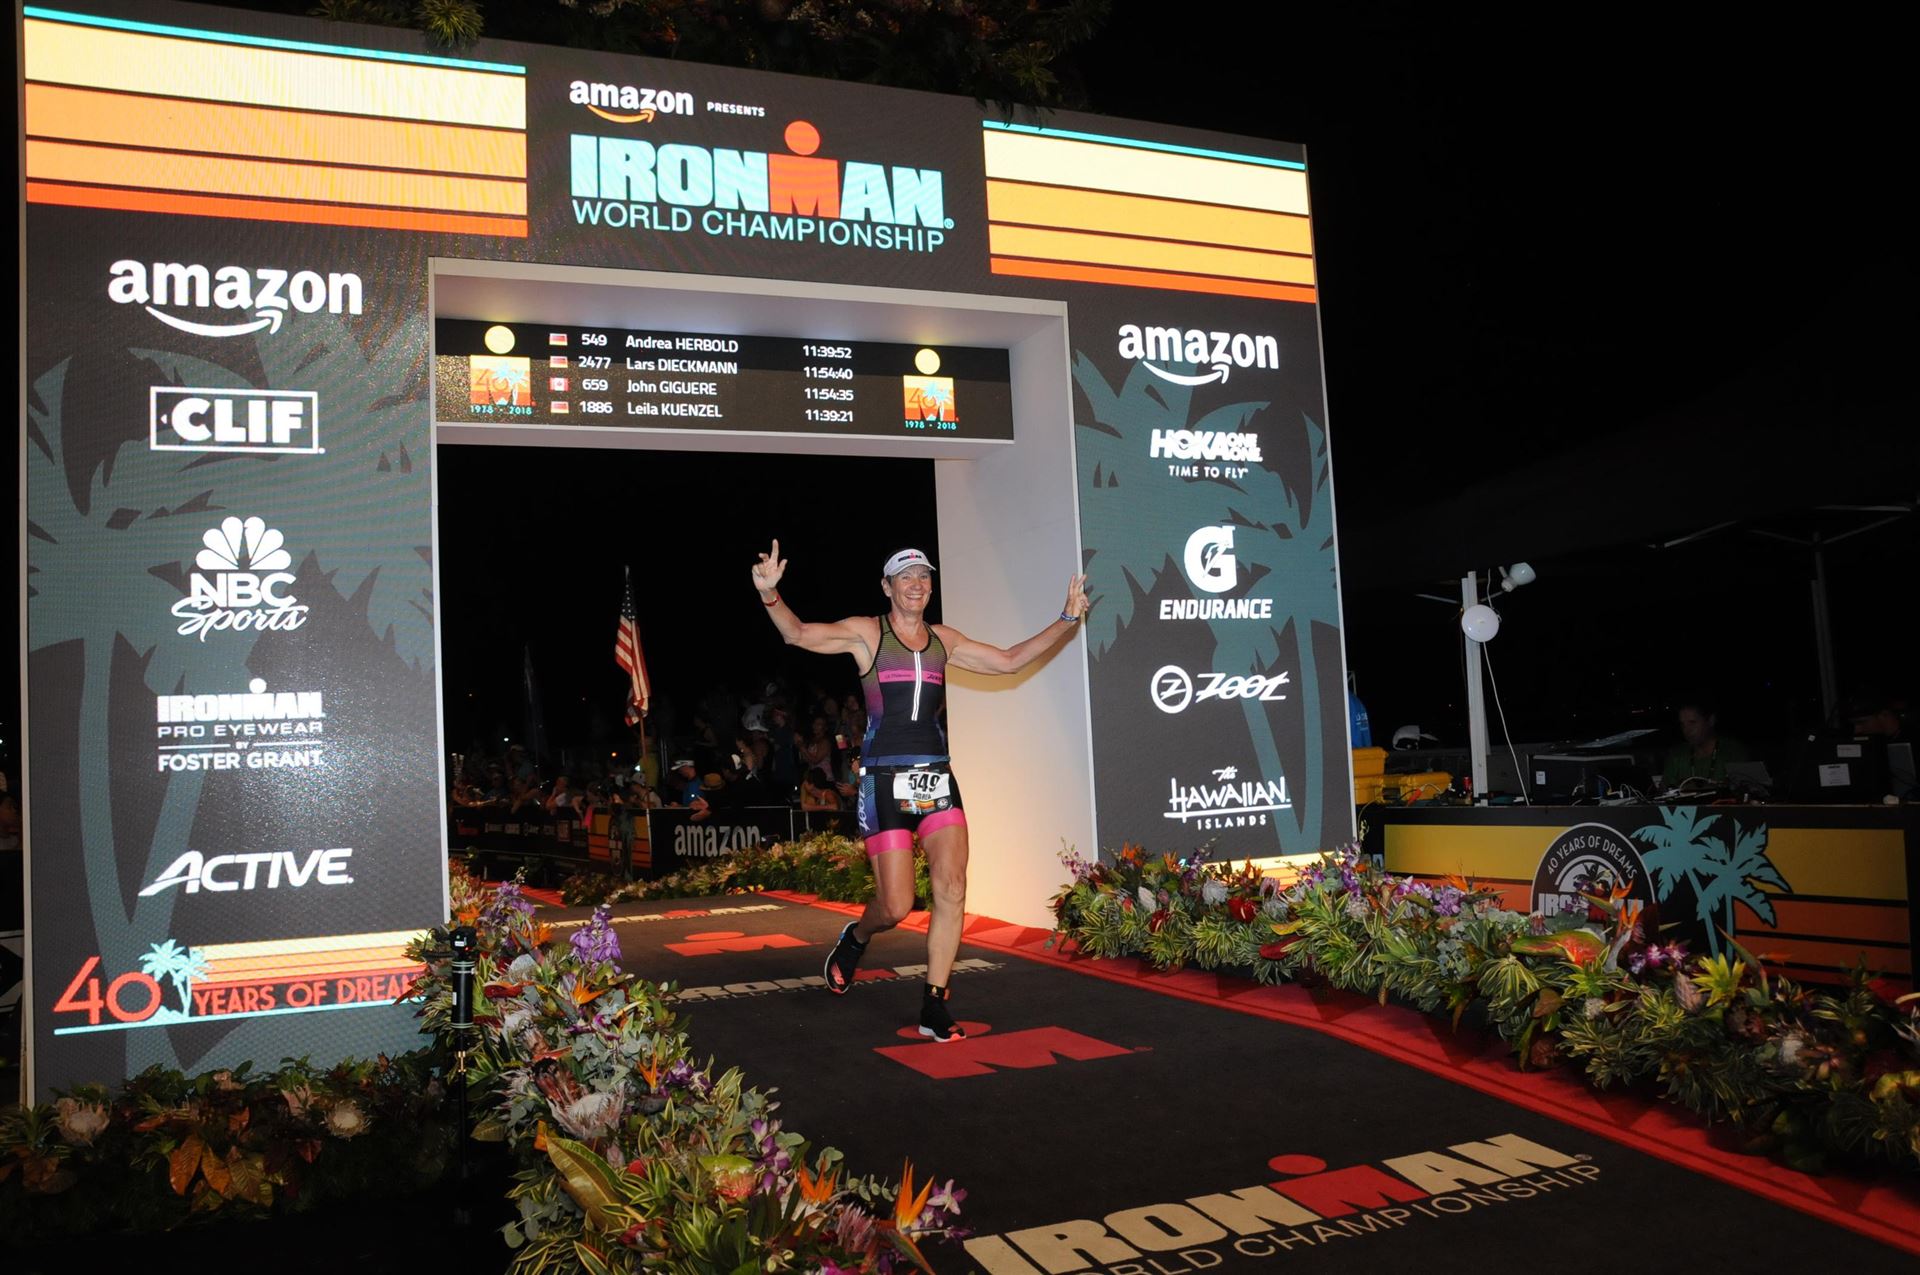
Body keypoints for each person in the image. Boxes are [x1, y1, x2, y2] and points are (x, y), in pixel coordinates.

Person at [753, 539, 1088, 1041]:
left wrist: (1066, 619)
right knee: (896, 906)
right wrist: (770, 594)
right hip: (884, 781)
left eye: (924, 576)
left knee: (952, 887)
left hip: (935, 777)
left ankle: (934, 1004)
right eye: (905, 577)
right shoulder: (868, 633)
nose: (917, 584)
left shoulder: (943, 639)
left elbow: (1009, 660)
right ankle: (857, 936)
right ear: (887, 587)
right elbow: (797, 634)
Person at [1660, 700, 1750, 789]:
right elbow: (1665, 789)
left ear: (1711, 721)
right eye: (1682, 724)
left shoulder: (1732, 751)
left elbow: (1743, 788)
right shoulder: (1677, 755)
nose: (1687, 730)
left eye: (1692, 723)